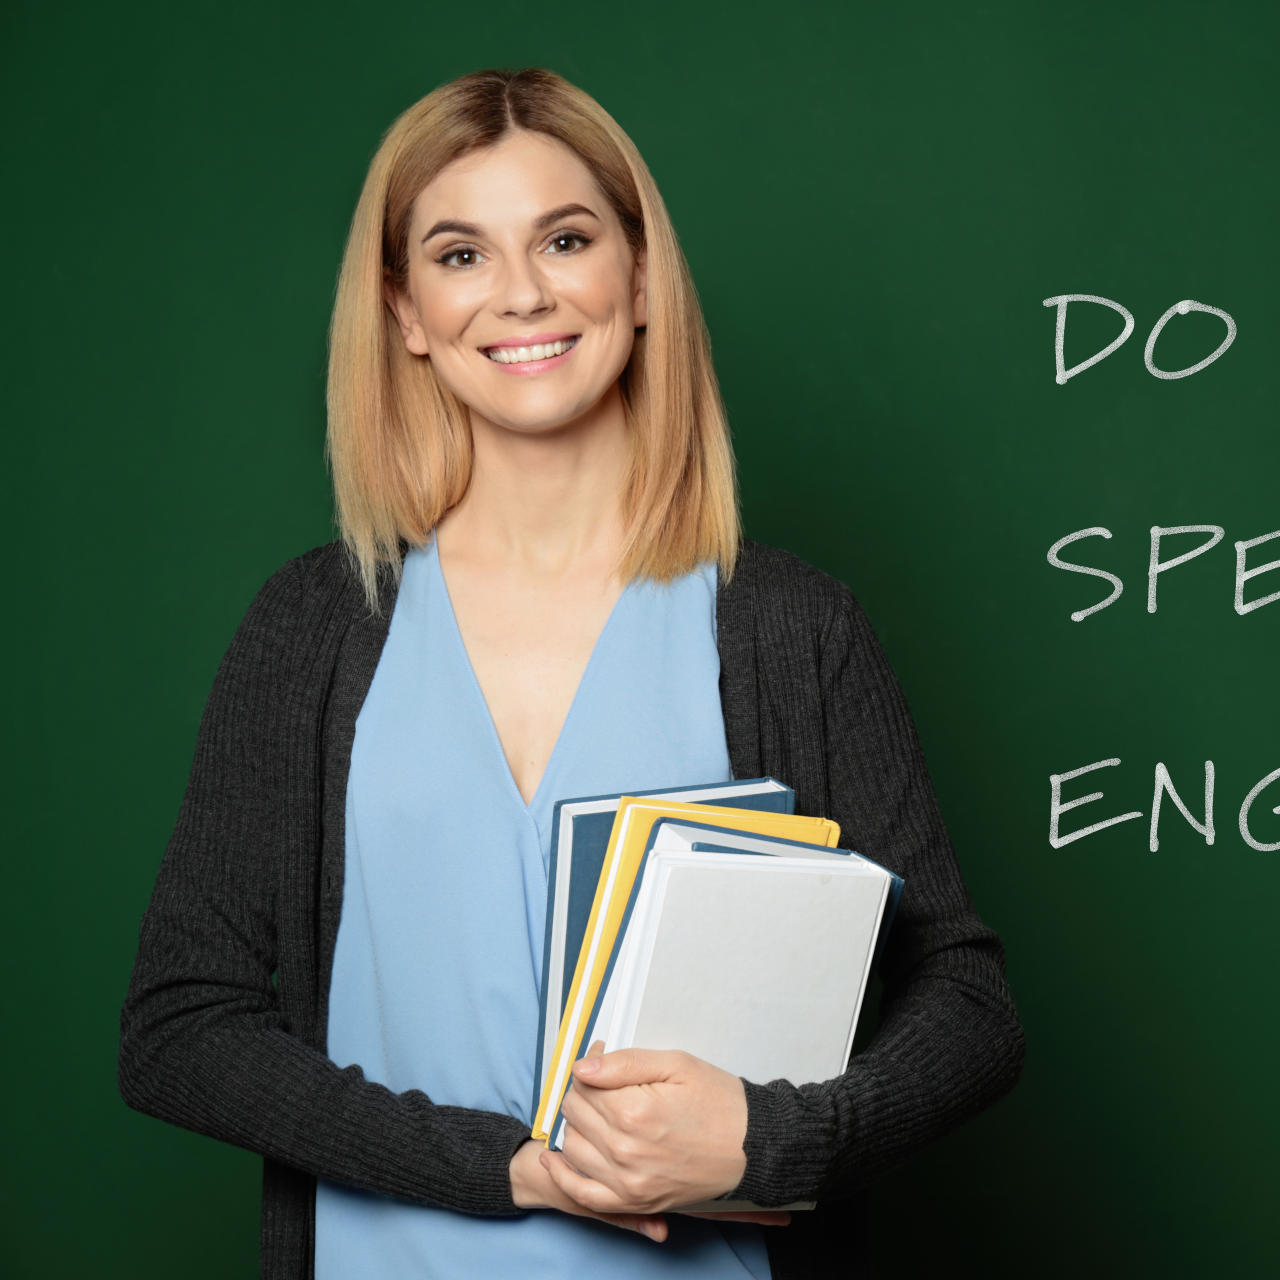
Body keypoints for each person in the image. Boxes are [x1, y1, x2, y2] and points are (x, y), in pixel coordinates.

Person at [117, 66, 1025, 1280]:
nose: (522, 292)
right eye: (460, 255)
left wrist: (771, 1136)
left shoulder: (791, 628)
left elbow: (966, 1004)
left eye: (565, 237)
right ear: (403, 313)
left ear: (639, 278)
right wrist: (506, 1167)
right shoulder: (316, 626)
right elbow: (180, 1026)